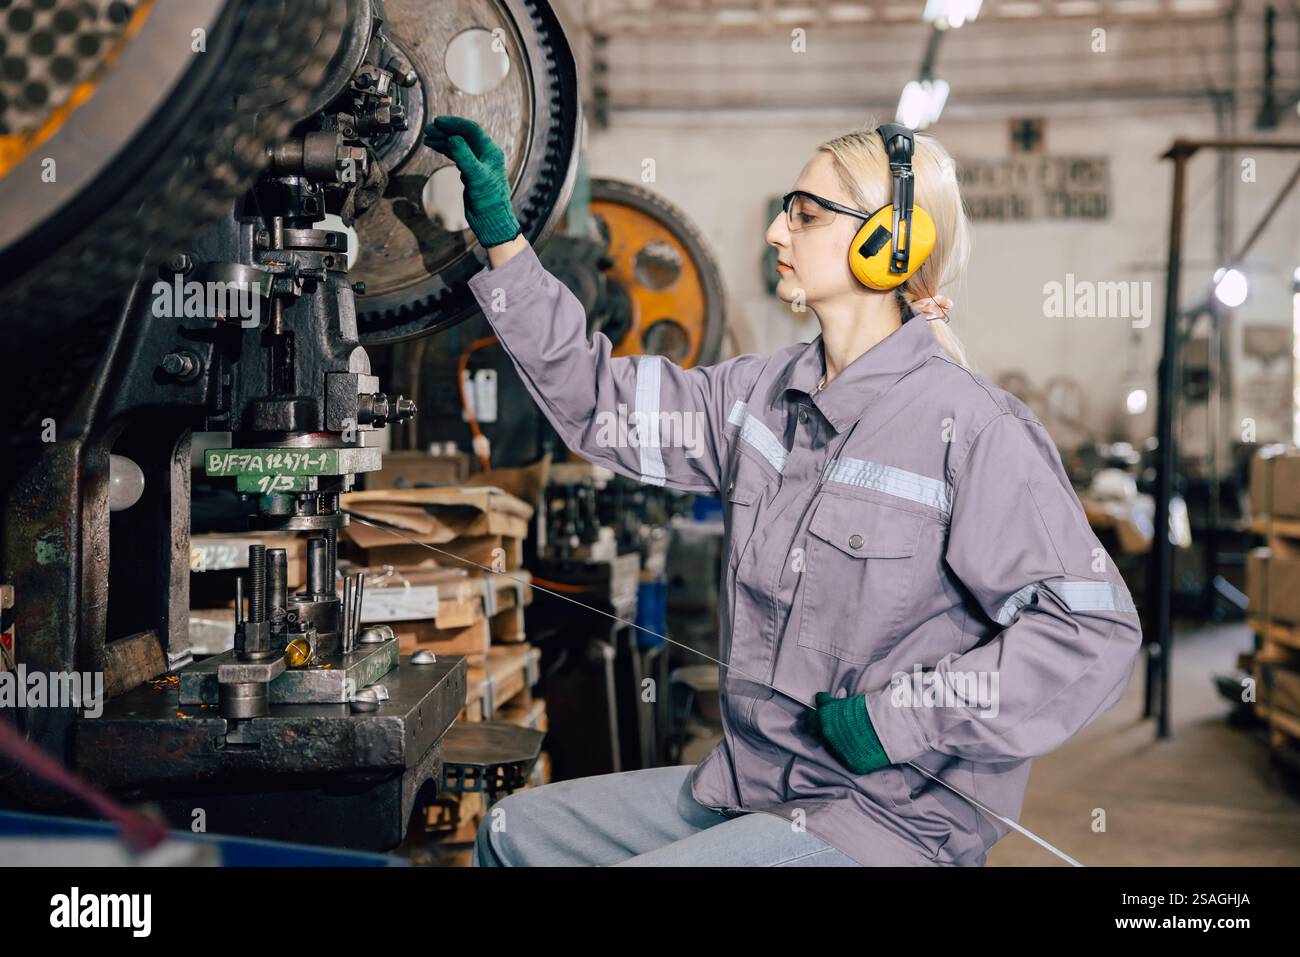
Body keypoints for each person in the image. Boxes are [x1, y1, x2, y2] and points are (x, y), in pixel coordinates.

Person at [423, 116, 1143, 867]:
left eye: (803, 213)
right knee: (513, 834)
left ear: (889, 243)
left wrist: (900, 717)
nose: (774, 231)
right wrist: (506, 242)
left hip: (884, 822)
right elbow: (598, 402)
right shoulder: (756, 398)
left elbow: (1091, 635)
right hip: (754, 785)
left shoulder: (973, 429)